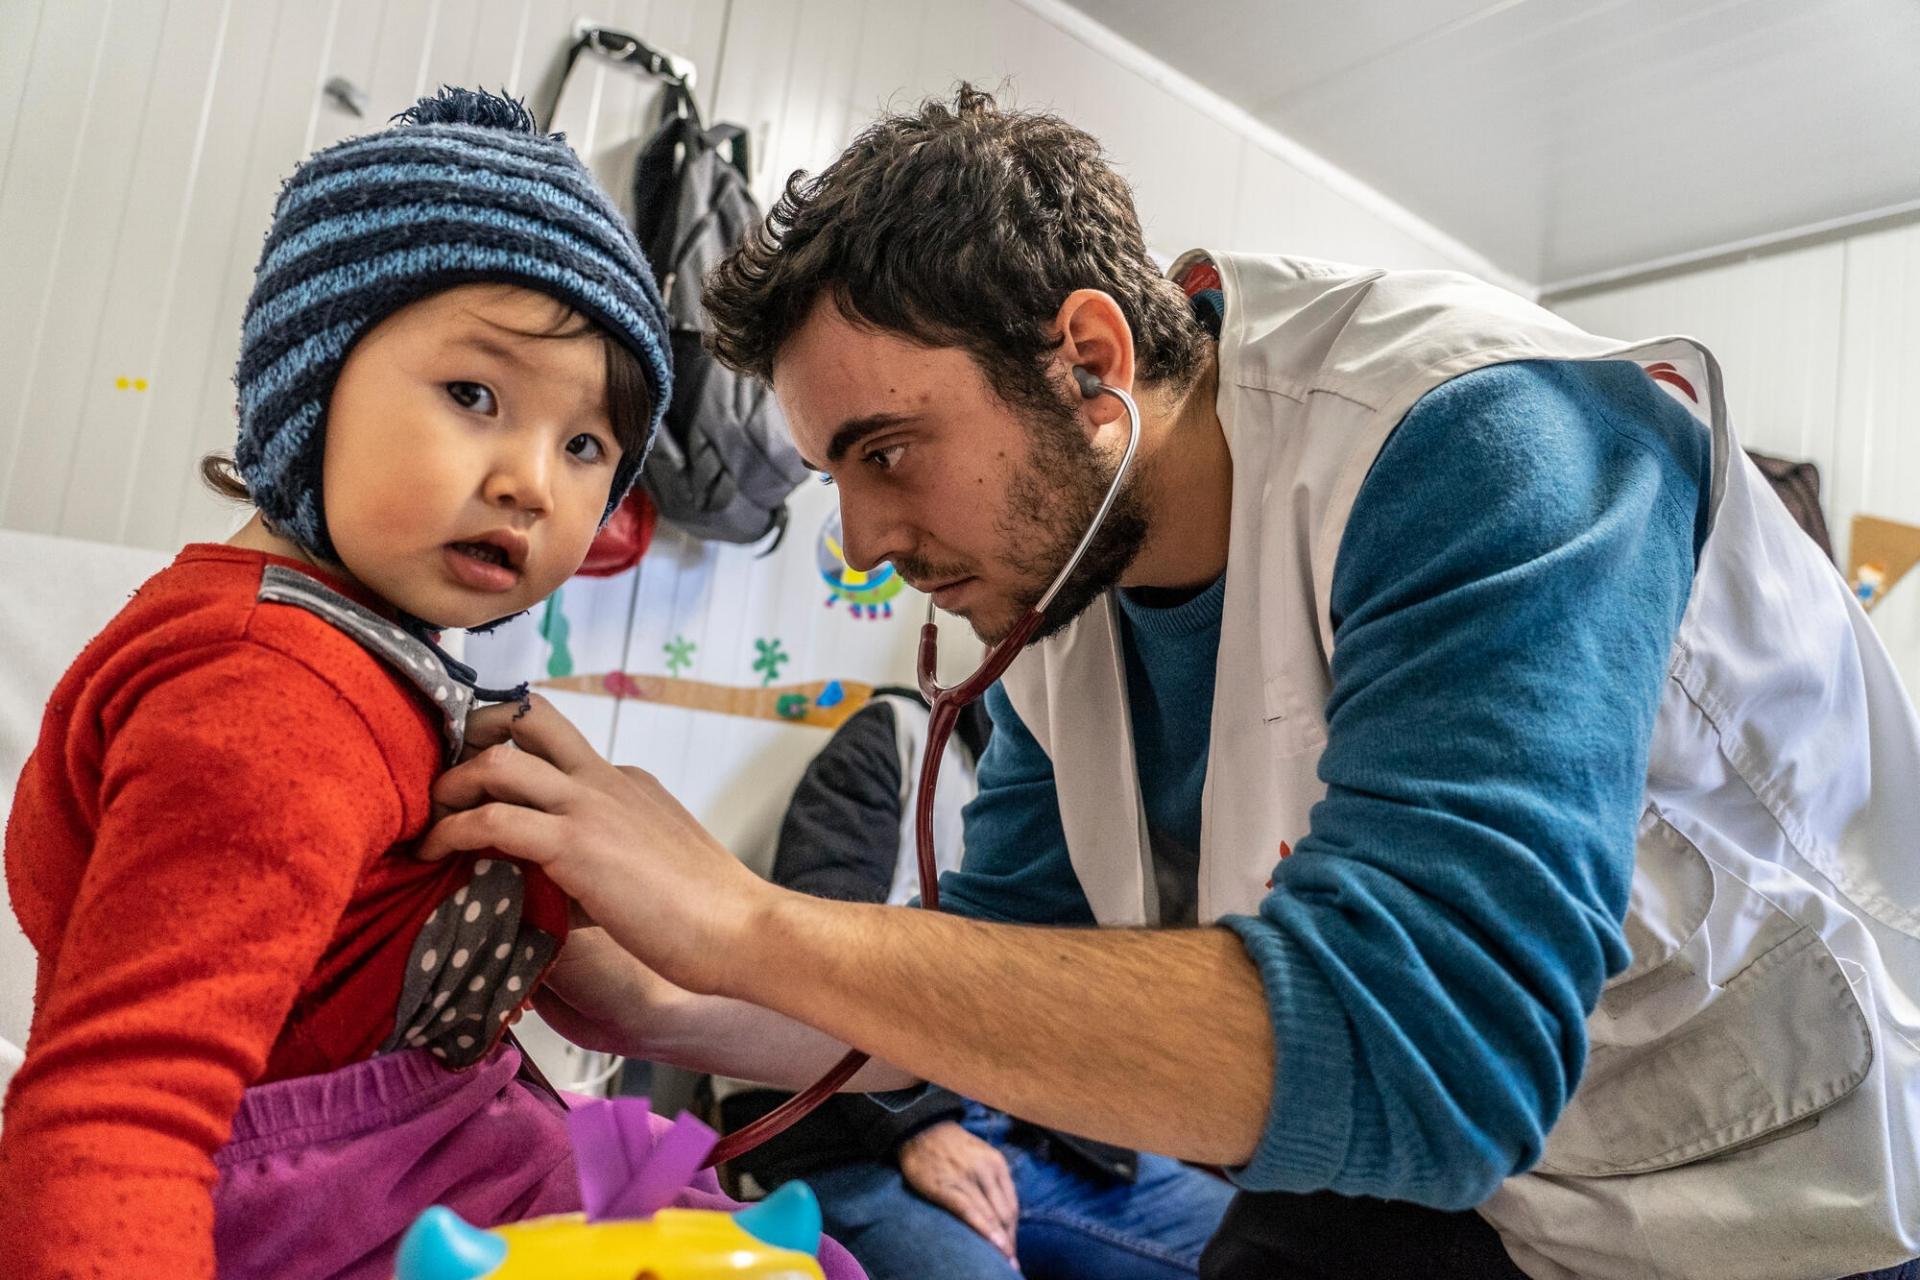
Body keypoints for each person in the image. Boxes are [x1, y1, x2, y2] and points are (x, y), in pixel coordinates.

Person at [423, 87, 1920, 1280]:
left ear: (1088, 356)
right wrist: (662, 997)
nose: (869, 540)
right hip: (1457, 1184)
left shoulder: (1490, 440)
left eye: (887, 452)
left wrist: (744, 915)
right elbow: (985, 981)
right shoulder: (1069, 576)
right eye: (835, 478)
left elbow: (1431, 1051)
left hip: (1772, 1199)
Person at [0, 87, 695, 1280]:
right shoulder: (275, 693)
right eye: (476, 395)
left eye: (587, 445)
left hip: (424, 1163)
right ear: (311, 386)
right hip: (318, 1208)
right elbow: (120, 1108)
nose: (533, 480)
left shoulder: (358, 654)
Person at [720, 689, 1231, 1279]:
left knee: (1266, 1252)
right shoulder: (897, 739)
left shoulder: (1080, 781)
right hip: (854, 1136)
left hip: (1028, 1131)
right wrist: (919, 1125)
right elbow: (811, 958)